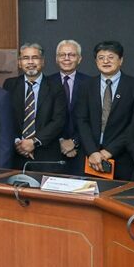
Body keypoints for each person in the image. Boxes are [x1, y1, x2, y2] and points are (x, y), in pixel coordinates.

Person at [75, 40, 134, 180]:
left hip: (122, 155)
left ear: (121, 60)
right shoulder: (86, 86)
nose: (105, 61)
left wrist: (109, 151)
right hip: (91, 156)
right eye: (101, 57)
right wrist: (93, 152)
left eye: (111, 57)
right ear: (96, 61)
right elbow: (81, 120)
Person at [2, 42, 67, 170]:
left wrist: (34, 142)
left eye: (35, 58)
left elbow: (59, 121)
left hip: (46, 155)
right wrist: (18, 143)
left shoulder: (56, 86)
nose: (30, 62)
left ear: (43, 62)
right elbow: (5, 118)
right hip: (16, 154)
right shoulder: (9, 85)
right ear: (19, 63)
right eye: (26, 58)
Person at [48, 39, 92, 175]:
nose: (66, 58)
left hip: (83, 150)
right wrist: (61, 141)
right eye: (62, 55)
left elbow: (94, 118)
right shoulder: (46, 83)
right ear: (56, 59)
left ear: (79, 59)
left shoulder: (91, 83)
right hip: (52, 149)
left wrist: (74, 141)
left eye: (72, 55)